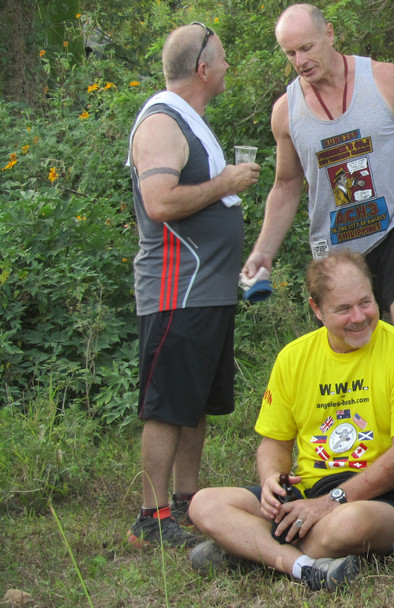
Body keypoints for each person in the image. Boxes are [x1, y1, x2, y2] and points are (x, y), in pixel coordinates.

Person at [188, 250, 394, 591]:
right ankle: (303, 566)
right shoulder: (293, 358)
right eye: (343, 309)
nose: (359, 317)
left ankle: (248, 550)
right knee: (204, 504)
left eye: (366, 302)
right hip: (307, 493)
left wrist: (331, 502)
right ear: (316, 309)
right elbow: (274, 443)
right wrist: (272, 480)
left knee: (349, 524)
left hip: (388, 499)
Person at [243, 3, 394, 364]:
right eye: (290, 53)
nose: (300, 60)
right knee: (353, 341)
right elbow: (287, 185)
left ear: (330, 34)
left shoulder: (385, 79)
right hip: (335, 245)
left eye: (306, 47)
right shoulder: (286, 112)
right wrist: (263, 252)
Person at [125, 22, 261, 548]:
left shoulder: (189, 120)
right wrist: (225, 183)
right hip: (175, 291)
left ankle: (185, 500)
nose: (227, 66)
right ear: (203, 69)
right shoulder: (162, 123)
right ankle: (150, 517)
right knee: (167, 405)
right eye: (223, 58)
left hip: (207, 290)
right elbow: (160, 202)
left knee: (194, 401)